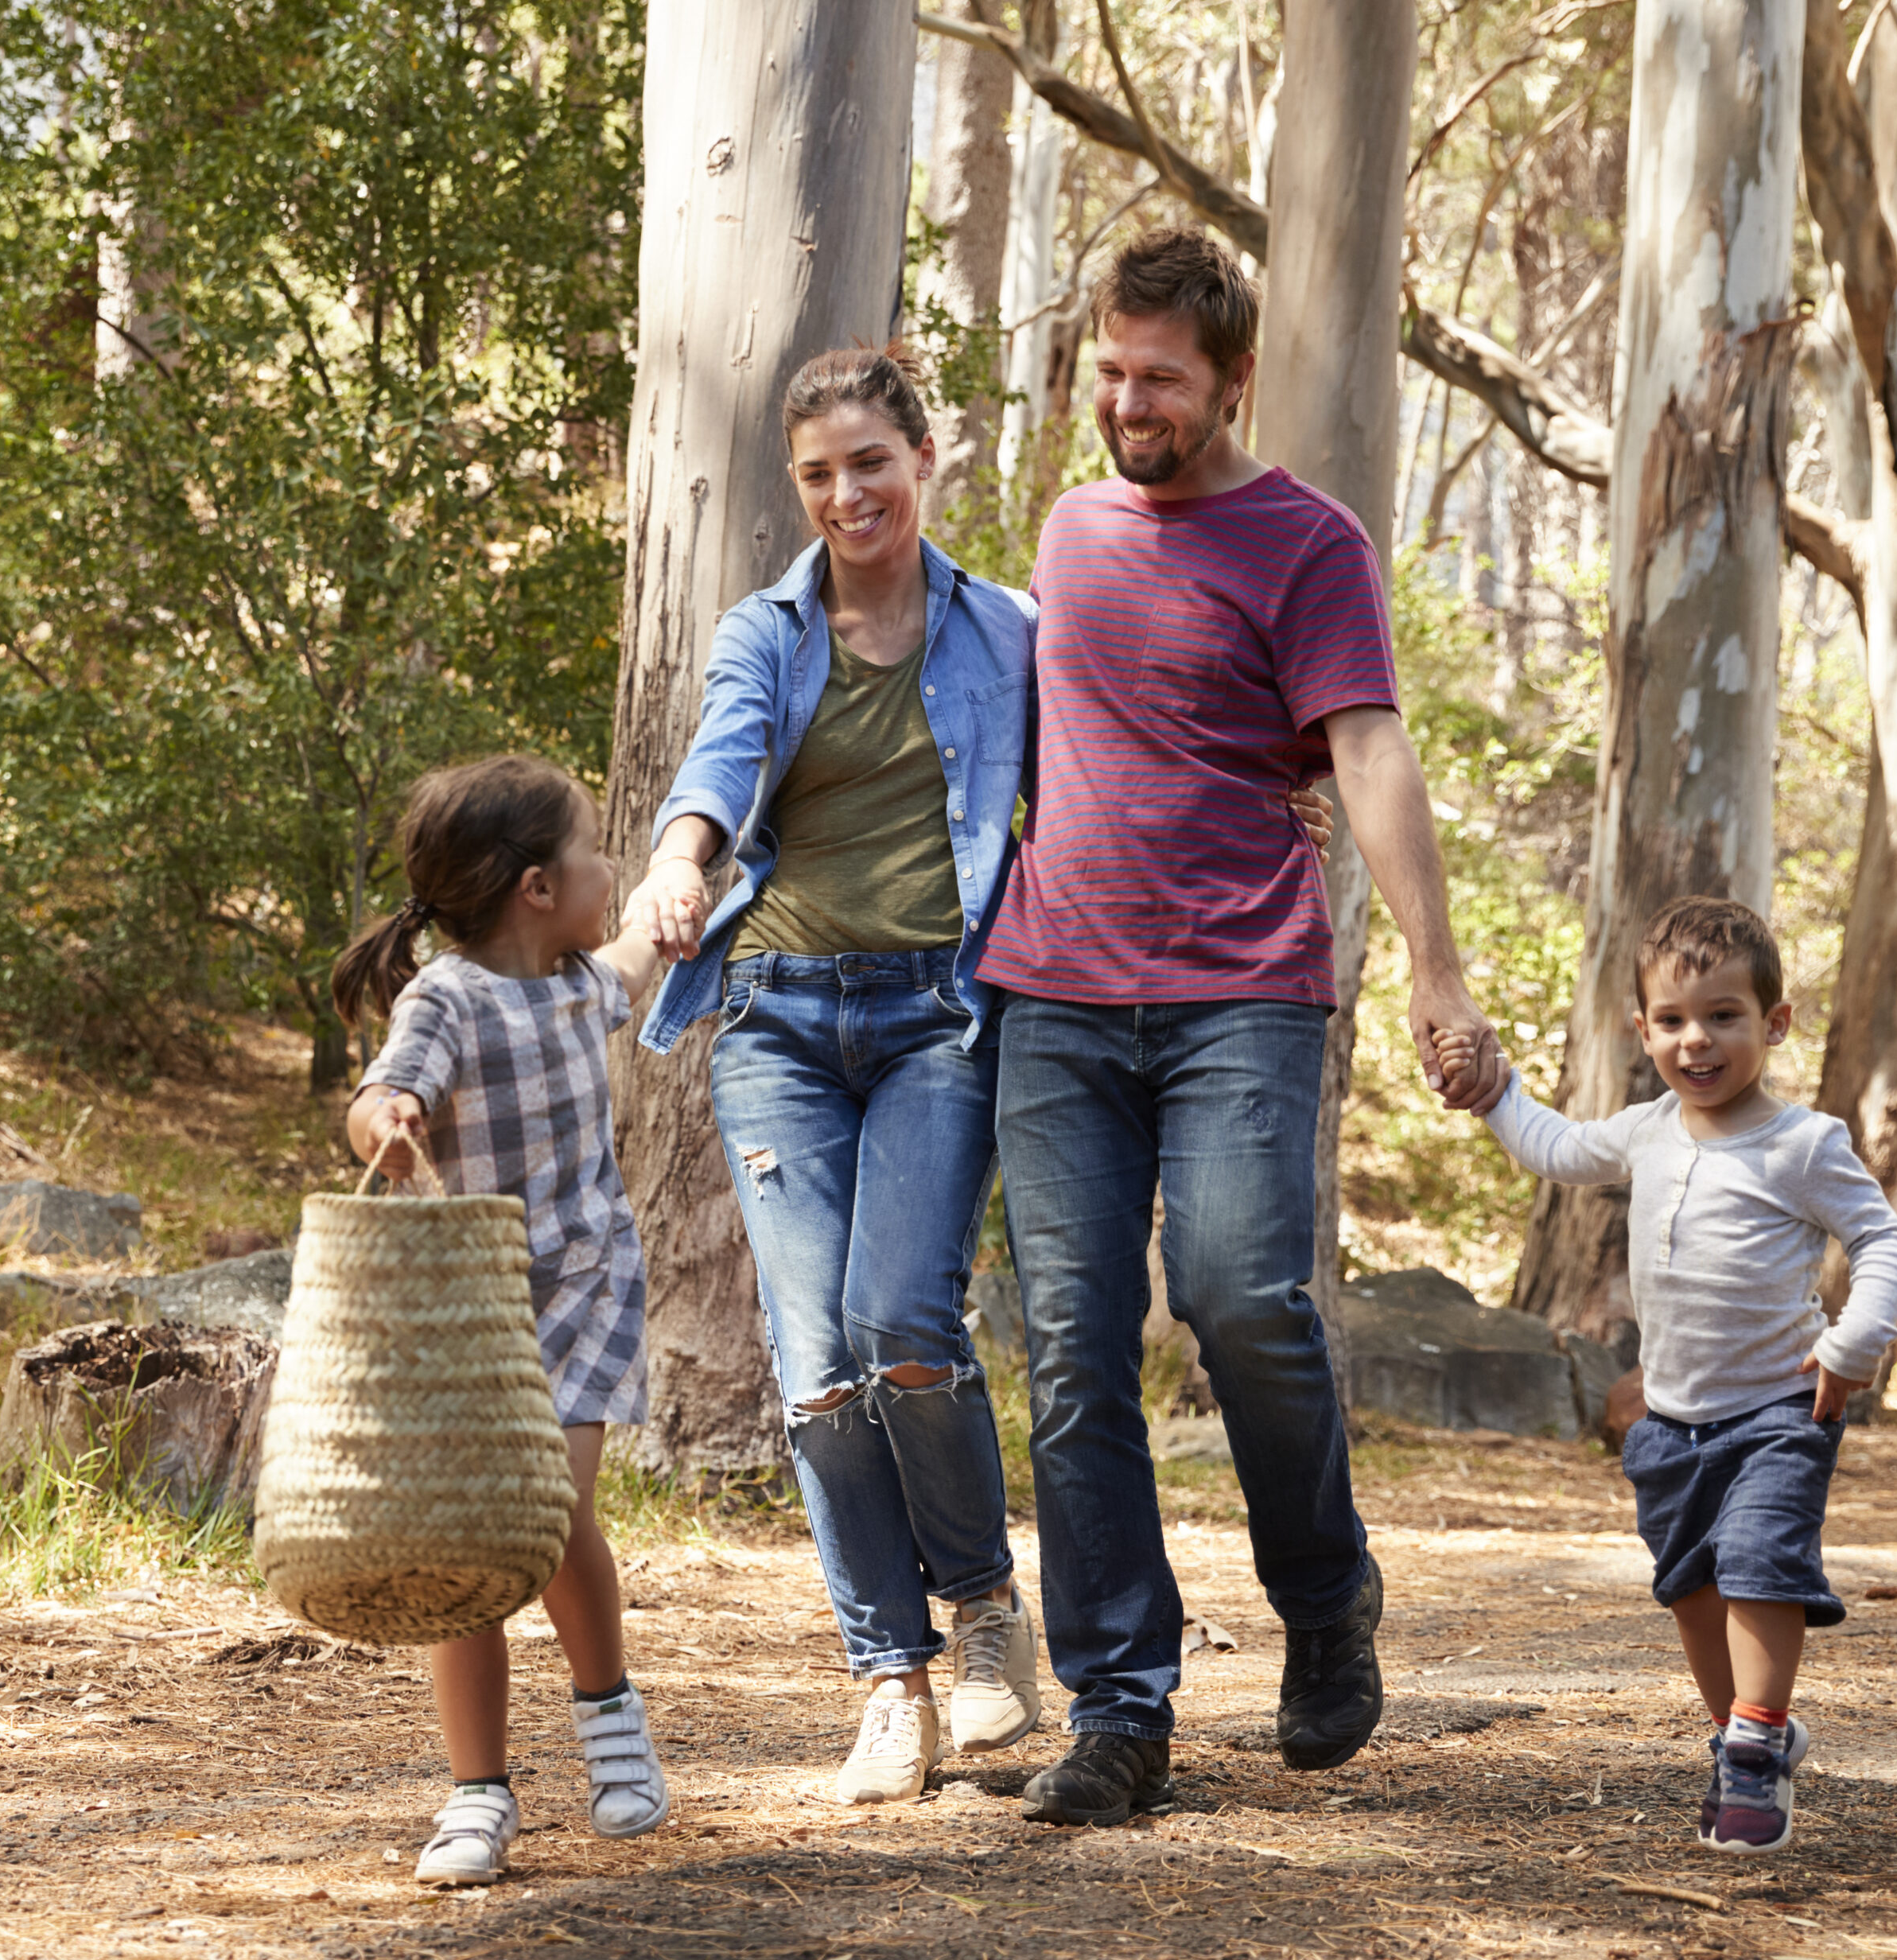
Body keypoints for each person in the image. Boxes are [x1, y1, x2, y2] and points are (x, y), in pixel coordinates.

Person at [624, 342, 1336, 1806]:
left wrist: (1276, 782)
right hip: (774, 1019)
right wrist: (675, 868)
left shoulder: (1003, 627)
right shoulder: (763, 630)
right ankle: (887, 1679)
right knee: (816, 1374)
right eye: (817, 474)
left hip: (942, 1015)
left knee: (902, 1323)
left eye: (869, 464)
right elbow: (717, 767)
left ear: (924, 459)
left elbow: (1121, 736)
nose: (845, 495)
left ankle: (988, 1617)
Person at [978, 224, 1510, 1827]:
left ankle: (1326, 1592)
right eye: (1110, 372)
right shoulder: (1067, 533)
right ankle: (1120, 1707)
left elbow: (1367, 750)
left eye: (1161, 379)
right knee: (1073, 1346)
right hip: (1055, 998)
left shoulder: (1309, 541)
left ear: (1231, 380)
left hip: (1241, 995)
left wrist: (1436, 966)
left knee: (1240, 1298)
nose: (1128, 402)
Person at [1448, 896, 1897, 1854]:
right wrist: (1493, 1087)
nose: (1696, 1040)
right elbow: (1554, 1145)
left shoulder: (1802, 1142)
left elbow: (1881, 1238)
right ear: (1643, 1028)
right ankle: (1747, 1730)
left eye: (1724, 1016)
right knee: (1693, 1587)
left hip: (1781, 1407)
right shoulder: (1650, 1128)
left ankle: (1752, 1746)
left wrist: (1856, 1339)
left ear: (1774, 1022)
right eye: (1672, 1019)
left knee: (1757, 1566)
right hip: (1672, 1423)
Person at [335, 755, 674, 1886]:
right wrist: (384, 1117)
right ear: (537, 887)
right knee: (466, 1545)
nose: (610, 868)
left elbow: (643, 952)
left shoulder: (584, 982)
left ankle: (606, 1709)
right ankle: (479, 1789)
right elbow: (383, 1093)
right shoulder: (447, 996)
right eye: (594, 851)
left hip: (585, 1289)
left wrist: (685, 900)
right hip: (472, 1308)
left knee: (550, 1512)